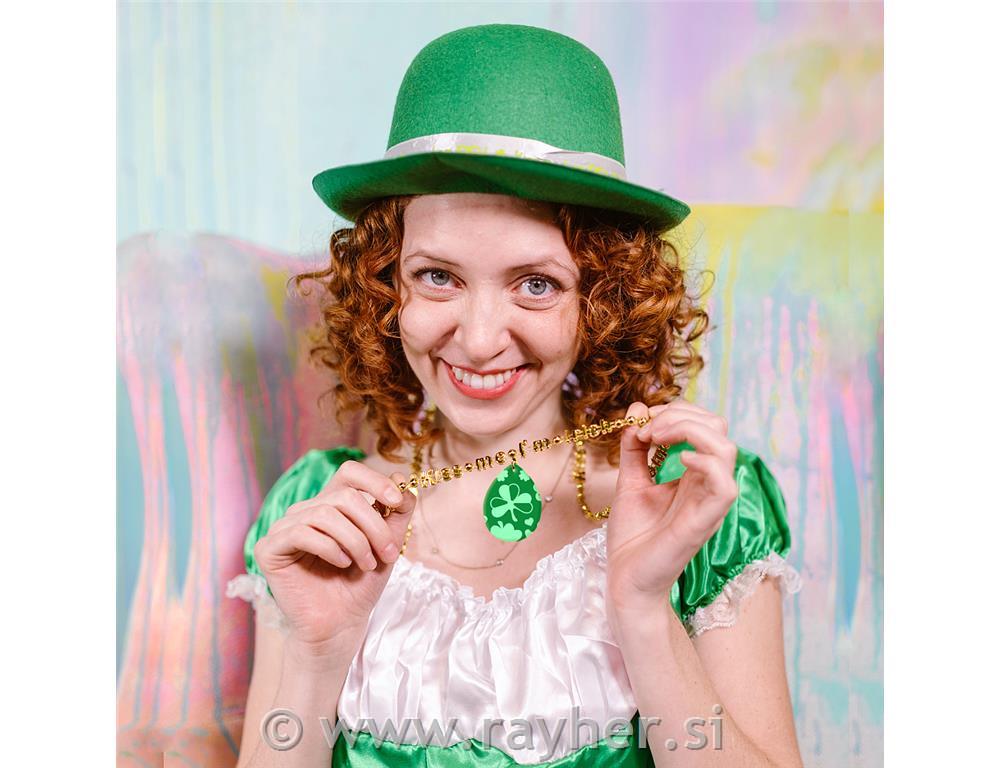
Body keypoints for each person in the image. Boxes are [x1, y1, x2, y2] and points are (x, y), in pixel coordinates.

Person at [227, 23, 803, 768]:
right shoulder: (318, 514)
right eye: (438, 276)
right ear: (385, 284)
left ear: (603, 300)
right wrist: (316, 659)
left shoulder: (694, 504)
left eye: (536, 284)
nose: (477, 340)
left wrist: (642, 610)